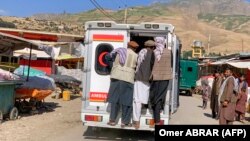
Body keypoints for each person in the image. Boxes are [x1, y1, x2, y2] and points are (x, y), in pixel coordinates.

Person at [106, 41, 138, 128]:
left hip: (116, 76)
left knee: (114, 99)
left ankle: (112, 120)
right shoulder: (136, 56)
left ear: (127, 46)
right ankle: (125, 122)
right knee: (127, 101)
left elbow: (107, 57)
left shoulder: (119, 51)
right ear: (135, 48)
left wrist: (112, 67)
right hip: (128, 78)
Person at [149, 37, 172, 125]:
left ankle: (157, 119)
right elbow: (171, 64)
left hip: (155, 78)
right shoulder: (169, 52)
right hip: (165, 78)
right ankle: (158, 117)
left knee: (155, 98)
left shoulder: (154, 52)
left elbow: (151, 65)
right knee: (161, 96)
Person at [132, 40, 155, 129]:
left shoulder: (141, 52)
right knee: (143, 99)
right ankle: (138, 119)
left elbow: (137, 64)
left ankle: (136, 120)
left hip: (138, 78)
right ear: (153, 47)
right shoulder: (152, 54)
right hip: (146, 80)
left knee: (137, 100)